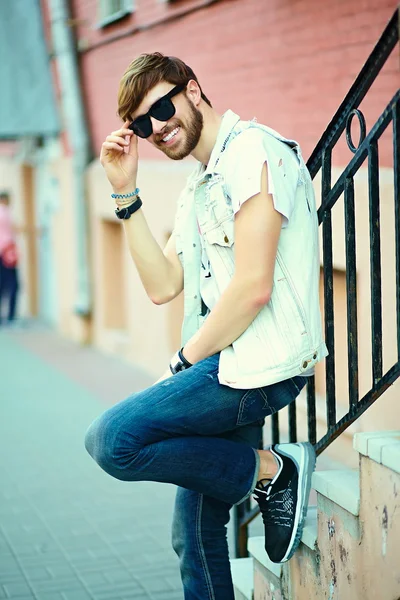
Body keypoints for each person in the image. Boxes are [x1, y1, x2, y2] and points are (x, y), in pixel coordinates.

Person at [85, 53, 328, 599]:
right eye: (143, 126)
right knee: (191, 533)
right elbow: (161, 284)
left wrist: (183, 363)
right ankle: (266, 470)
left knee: (113, 440)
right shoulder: (200, 185)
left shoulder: (253, 152)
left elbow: (253, 288)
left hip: (259, 365)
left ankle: (271, 469)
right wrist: (125, 191)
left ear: (193, 90)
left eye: (163, 107)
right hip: (227, 363)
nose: (157, 127)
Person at [0, 191, 19, 326]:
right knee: (13, 285)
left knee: (2, 285)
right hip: (6, 252)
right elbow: (13, 229)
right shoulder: (5, 213)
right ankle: (11, 317)